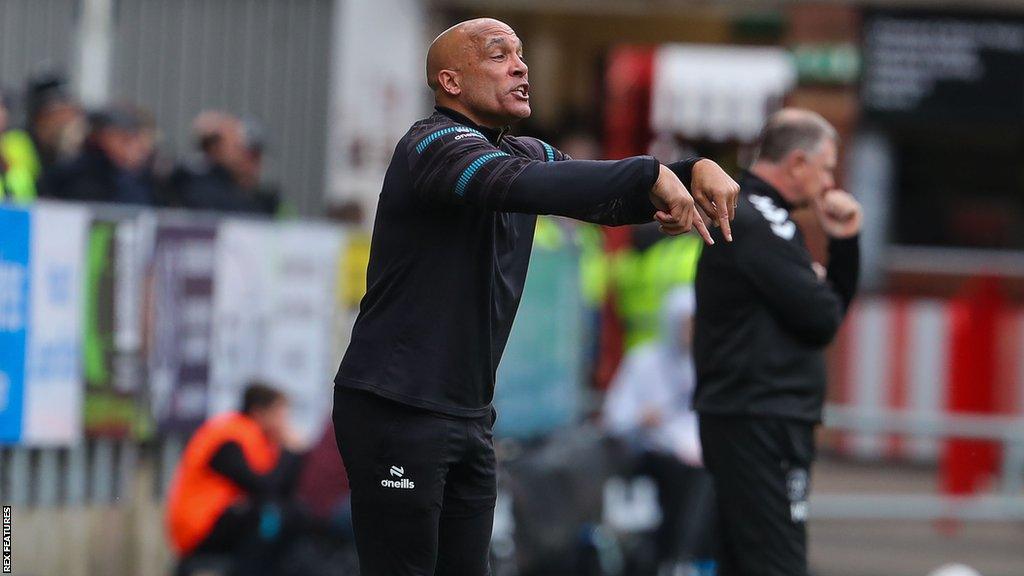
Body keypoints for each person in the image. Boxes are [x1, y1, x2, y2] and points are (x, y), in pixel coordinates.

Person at [332, 17, 740, 576]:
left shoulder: (522, 151)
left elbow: (598, 193)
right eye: (498, 56)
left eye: (520, 54)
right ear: (450, 82)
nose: (520, 67)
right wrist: (650, 171)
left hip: (469, 415)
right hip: (396, 408)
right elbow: (523, 185)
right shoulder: (432, 145)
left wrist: (691, 172)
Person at [693, 108, 862, 576]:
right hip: (759, 417)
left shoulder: (768, 219)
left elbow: (823, 315)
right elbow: (822, 318)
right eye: (826, 167)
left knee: (743, 561)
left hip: (756, 414)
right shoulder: (757, 219)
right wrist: (820, 282)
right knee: (776, 563)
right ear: (798, 164)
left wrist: (843, 245)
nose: (829, 182)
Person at [603, 287, 716, 572]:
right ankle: (677, 558)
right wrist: (641, 418)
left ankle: (691, 557)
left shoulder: (707, 365)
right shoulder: (644, 361)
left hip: (694, 458)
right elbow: (614, 416)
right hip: (649, 455)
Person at [166, 383, 305, 576]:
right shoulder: (229, 438)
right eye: (279, 414)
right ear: (259, 413)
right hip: (199, 527)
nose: (285, 422)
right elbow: (263, 486)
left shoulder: (259, 440)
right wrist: (290, 452)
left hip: (222, 520)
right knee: (266, 516)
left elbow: (282, 489)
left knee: (291, 514)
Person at [168, 111, 281, 215]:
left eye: (256, 154)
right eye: (248, 152)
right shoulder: (196, 185)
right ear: (215, 148)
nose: (255, 161)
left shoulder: (262, 197)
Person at [43, 105, 157, 205]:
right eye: (124, 140)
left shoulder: (136, 176)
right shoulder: (78, 177)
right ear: (102, 137)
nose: (131, 148)